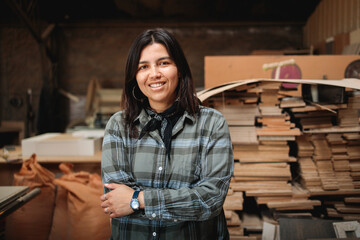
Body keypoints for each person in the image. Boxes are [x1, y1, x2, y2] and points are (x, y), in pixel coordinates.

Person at [100, 28, 233, 240]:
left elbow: (210, 199)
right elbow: (116, 200)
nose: (154, 74)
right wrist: (184, 201)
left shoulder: (212, 124)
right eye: (143, 66)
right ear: (135, 77)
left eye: (164, 63)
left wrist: (138, 200)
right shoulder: (119, 125)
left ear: (179, 69)